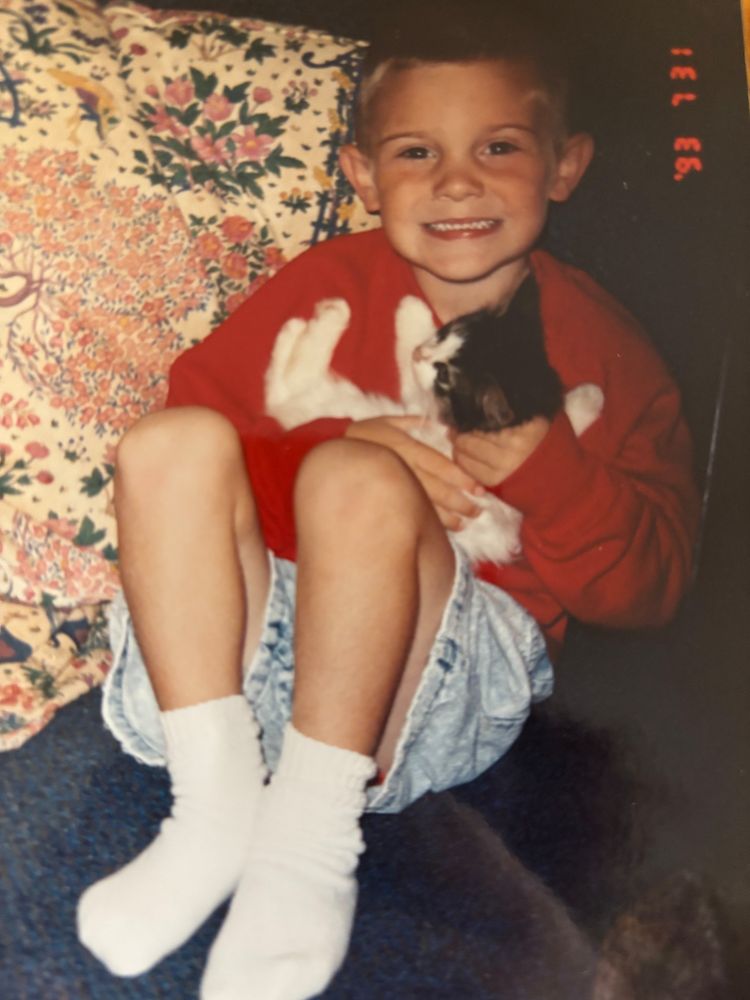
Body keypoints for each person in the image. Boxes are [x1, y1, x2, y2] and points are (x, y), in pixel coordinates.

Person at [77, 3, 699, 997]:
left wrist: (548, 470)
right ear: (364, 176)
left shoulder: (608, 351)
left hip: (417, 688)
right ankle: (212, 806)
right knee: (168, 443)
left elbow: (653, 587)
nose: (457, 180)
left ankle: (310, 848)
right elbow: (197, 445)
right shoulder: (323, 282)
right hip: (230, 663)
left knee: (359, 482)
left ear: (564, 166)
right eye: (417, 151)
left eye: (499, 146)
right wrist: (337, 436)